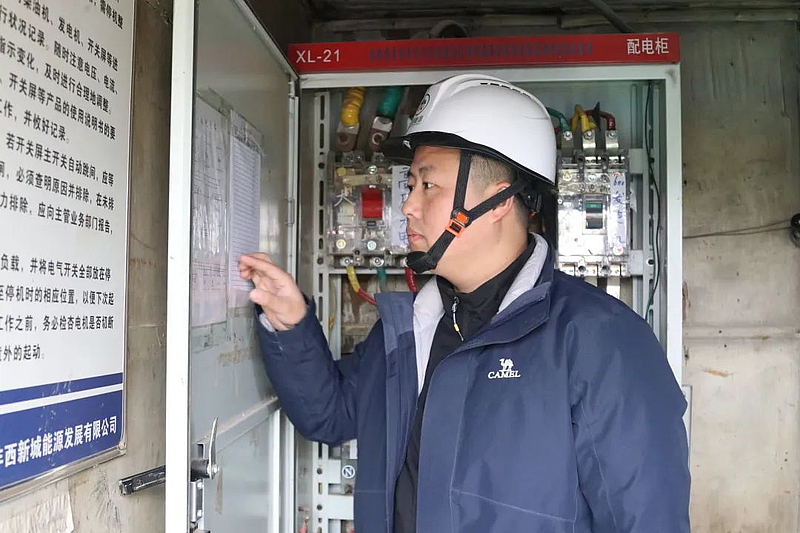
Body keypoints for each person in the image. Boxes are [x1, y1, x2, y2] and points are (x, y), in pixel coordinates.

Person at [238, 74, 690, 532]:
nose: (408, 206)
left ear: (497, 202)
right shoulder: (411, 329)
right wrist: (290, 324)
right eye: (410, 185)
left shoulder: (601, 341)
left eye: (428, 185)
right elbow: (332, 415)